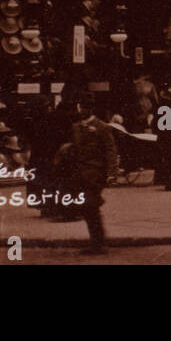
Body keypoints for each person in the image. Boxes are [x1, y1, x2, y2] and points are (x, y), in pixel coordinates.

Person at [61, 92, 118, 255]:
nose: (81, 110)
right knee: (87, 209)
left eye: (85, 107)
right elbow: (75, 150)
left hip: (95, 175)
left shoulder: (102, 127)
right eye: (80, 106)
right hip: (79, 174)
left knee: (90, 207)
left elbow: (110, 152)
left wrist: (112, 173)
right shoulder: (76, 127)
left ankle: (99, 243)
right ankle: (97, 242)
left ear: (90, 109)